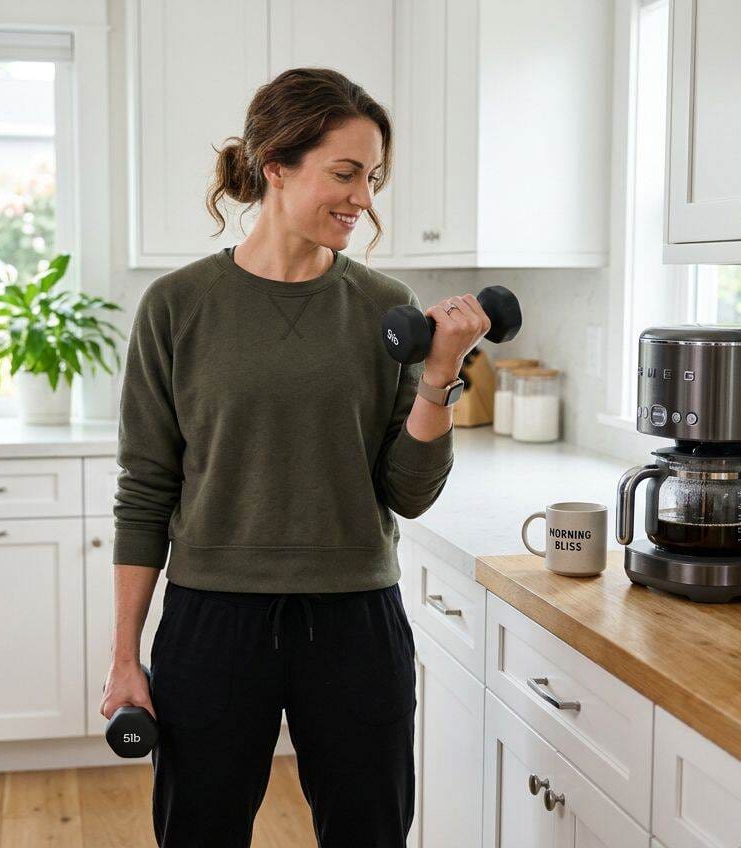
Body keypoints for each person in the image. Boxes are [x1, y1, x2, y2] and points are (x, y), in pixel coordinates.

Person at [99, 66, 489, 848]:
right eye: (344, 173)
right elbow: (145, 492)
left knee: (371, 833)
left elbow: (406, 493)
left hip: (355, 619)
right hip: (214, 618)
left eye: (372, 177)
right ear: (276, 167)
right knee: (198, 832)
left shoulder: (385, 308)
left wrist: (441, 376)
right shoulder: (177, 306)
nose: (363, 198)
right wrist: (124, 656)